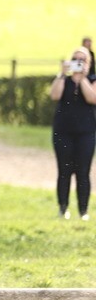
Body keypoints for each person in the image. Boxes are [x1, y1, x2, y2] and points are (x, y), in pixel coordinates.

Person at [49, 46, 96, 219]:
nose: (78, 62)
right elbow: (54, 95)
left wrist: (82, 79)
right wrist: (62, 74)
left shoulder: (92, 79)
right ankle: (63, 207)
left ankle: (83, 210)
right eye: (75, 58)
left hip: (86, 132)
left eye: (82, 60)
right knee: (64, 170)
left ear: (89, 63)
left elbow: (92, 98)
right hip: (63, 131)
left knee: (83, 171)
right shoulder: (64, 80)